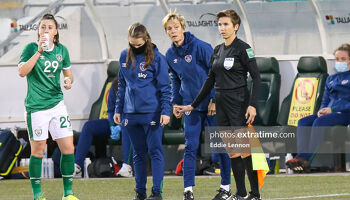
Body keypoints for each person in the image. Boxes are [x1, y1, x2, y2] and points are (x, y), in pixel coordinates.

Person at [176, 9, 262, 200]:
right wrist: (192, 105)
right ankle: (240, 194)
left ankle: (255, 194)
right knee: (232, 152)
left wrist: (252, 105)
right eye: (220, 24)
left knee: (245, 150)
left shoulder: (244, 48)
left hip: (239, 104)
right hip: (221, 106)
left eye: (226, 24)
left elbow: (256, 78)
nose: (222, 28)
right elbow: (209, 81)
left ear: (236, 26)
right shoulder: (217, 50)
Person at [162, 12, 232, 200]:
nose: (173, 31)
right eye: (169, 29)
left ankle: (226, 188)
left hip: (212, 106)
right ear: (166, 32)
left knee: (220, 146)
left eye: (176, 27)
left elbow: (218, 73)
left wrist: (214, 99)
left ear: (183, 28)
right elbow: (176, 81)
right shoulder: (169, 54)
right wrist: (176, 103)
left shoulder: (201, 47)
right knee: (190, 147)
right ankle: (188, 191)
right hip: (190, 108)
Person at [18, 13, 78, 200]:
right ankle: (38, 195)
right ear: (38, 31)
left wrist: (68, 81)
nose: (45, 30)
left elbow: (69, 75)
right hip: (36, 108)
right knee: (38, 151)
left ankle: (68, 194)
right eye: (42, 27)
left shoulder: (62, 50)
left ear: (55, 32)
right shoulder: (30, 48)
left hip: (57, 105)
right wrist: (38, 52)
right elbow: (22, 72)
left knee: (68, 148)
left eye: (49, 27)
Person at [114, 23, 171, 200]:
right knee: (138, 154)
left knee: (155, 151)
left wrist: (165, 111)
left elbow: (165, 88)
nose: (135, 47)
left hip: (152, 113)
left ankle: (157, 193)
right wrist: (118, 109)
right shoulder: (124, 56)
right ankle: (140, 192)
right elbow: (122, 85)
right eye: (132, 44)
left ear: (146, 40)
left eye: (139, 45)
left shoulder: (158, 58)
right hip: (130, 115)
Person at [286, 43, 350, 173]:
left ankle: (306, 158)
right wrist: (321, 110)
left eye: (343, 59)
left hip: (345, 113)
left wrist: (331, 110)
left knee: (319, 122)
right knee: (303, 121)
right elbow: (325, 99)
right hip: (329, 113)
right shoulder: (331, 79)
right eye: (337, 59)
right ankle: (300, 156)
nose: (339, 62)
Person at [74, 76, 133, 178]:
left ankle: (127, 167)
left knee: (127, 126)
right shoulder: (114, 85)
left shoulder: (137, 84)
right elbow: (110, 110)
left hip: (132, 123)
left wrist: (122, 124)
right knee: (89, 126)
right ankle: (77, 167)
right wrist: (112, 125)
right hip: (116, 123)